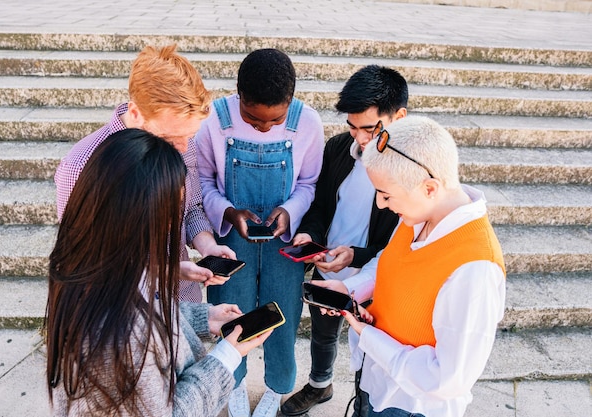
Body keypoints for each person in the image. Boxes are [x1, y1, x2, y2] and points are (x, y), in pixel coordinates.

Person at [45, 128, 271, 417]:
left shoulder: (93, 267)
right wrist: (226, 356)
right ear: (139, 216)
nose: (171, 224)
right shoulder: (121, 333)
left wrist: (203, 319)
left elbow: (149, 311)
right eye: (170, 210)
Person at [316, 116, 507, 417]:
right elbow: (389, 262)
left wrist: (370, 337)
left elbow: (446, 379)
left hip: (411, 405)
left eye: (386, 195)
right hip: (375, 378)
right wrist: (349, 289)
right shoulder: (417, 214)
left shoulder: (475, 268)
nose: (380, 204)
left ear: (430, 188)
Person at [195, 48, 325, 417]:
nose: (265, 127)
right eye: (253, 119)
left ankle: (277, 388)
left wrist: (290, 210)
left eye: (274, 120)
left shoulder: (308, 123)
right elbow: (204, 181)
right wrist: (228, 211)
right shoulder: (214, 121)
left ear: (291, 102)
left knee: (282, 314)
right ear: (238, 96)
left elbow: (310, 182)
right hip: (231, 239)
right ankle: (231, 383)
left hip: (284, 243)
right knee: (231, 314)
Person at [54, 44, 234, 302]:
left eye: (190, 136)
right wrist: (167, 271)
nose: (183, 148)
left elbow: (191, 207)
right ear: (136, 113)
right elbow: (84, 263)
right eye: (171, 139)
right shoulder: (82, 166)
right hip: (122, 311)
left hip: (182, 299)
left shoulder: (181, 139)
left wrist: (208, 246)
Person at [281, 65, 407, 416]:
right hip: (328, 264)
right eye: (352, 127)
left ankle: (364, 402)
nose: (360, 138)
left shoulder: (408, 167)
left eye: (369, 128)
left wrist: (355, 256)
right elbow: (320, 206)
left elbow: (402, 244)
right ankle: (320, 385)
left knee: (370, 348)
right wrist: (311, 236)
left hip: (379, 277)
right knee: (322, 335)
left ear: (399, 117)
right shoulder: (339, 148)